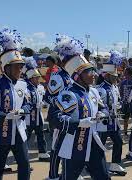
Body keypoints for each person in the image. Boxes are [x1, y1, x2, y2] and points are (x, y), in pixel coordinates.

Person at [48, 34, 110, 180]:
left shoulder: (93, 91)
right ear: (77, 76)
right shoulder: (68, 94)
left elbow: (103, 108)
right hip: (74, 145)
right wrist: (79, 123)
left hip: (93, 142)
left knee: (103, 176)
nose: (94, 74)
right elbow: (54, 118)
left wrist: (103, 114)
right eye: (89, 71)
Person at [0, 28, 30, 180]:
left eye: (21, 66)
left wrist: (23, 111)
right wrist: (3, 116)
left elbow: (28, 104)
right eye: (17, 66)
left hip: (18, 132)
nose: (20, 69)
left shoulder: (23, 84)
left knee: (25, 165)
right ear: (6, 67)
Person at [45, 36, 73, 180]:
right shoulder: (57, 76)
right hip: (59, 117)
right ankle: (53, 175)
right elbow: (48, 96)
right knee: (57, 147)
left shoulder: (73, 75)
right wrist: (62, 105)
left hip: (72, 117)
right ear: (63, 61)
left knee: (70, 146)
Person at [96, 50, 126, 176]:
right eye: (114, 76)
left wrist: (119, 106)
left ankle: (115, 164)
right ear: (107, 76)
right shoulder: (99, 89)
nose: (117, 78)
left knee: (118, 141)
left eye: (117, 76)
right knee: (98, 147)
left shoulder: (114, 87)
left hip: (114, 122)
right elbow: (97, 107)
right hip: (103, 123)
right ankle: (94, 166)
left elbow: (117, 101)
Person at [24, 67, 50, 161]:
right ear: (30, 78)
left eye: (38, 77)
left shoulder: (39, 87)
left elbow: (42, 99)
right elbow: (26, 102)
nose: (38, 79)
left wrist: (43, 104)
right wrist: (36, 105)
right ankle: (23, 156)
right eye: (36, 77)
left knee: (41, 135)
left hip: (38, 116)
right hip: (28, 117)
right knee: (26, 137)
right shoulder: (26, 88)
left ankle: (43, 153)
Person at [119, 66, 132, 135]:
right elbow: (121, 92)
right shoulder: (123, 82)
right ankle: (125, 132)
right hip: (125, 103)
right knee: (125, 118)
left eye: (125, 72)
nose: (124, 74)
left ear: (130, 74)